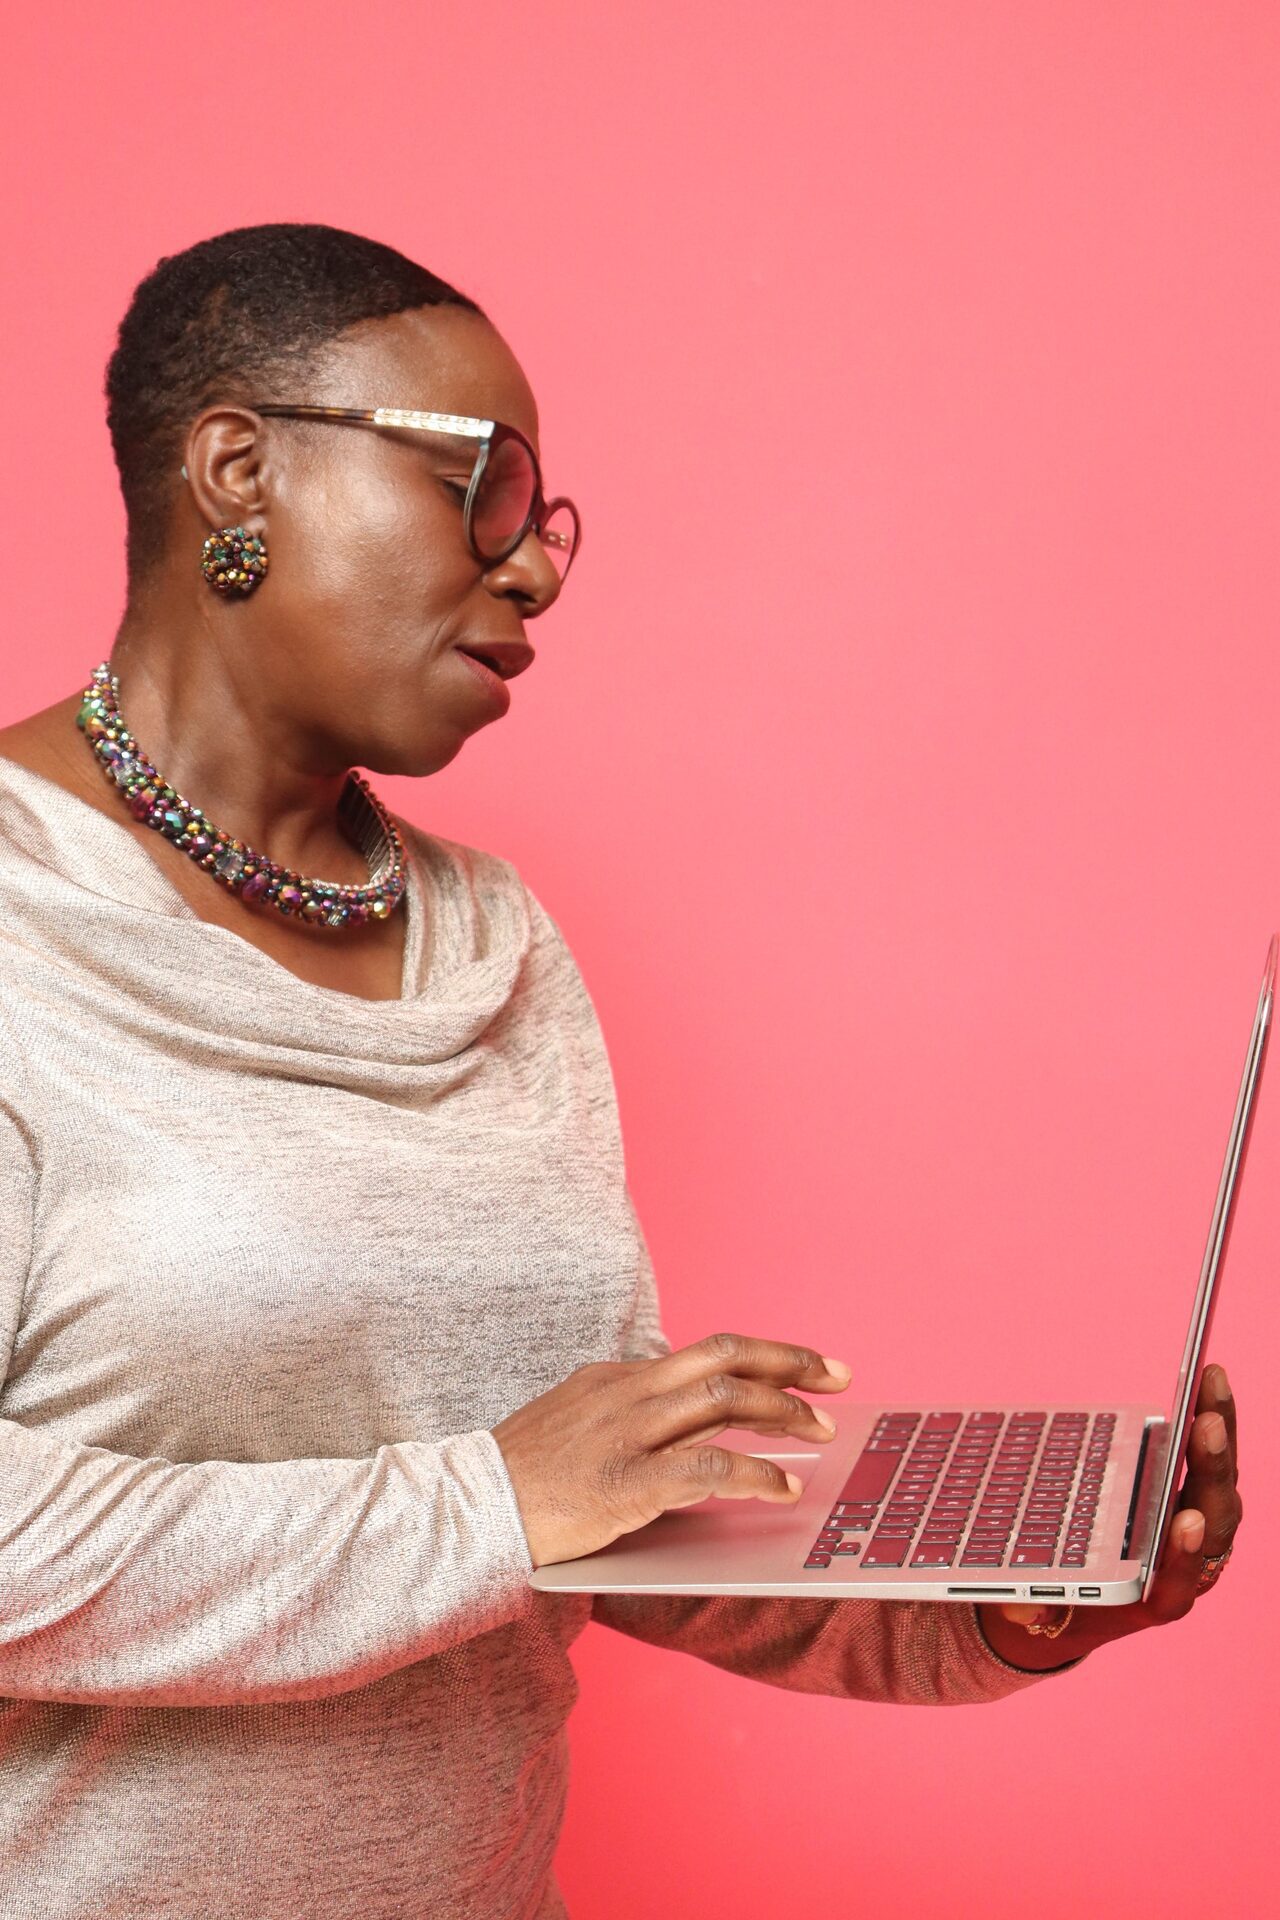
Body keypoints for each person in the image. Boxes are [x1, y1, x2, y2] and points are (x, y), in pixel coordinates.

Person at [0, 223, 1241, 1920]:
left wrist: (1004, 1598)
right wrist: (488, 1498)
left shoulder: (495, 943)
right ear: (239, 469)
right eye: (480, 487)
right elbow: (504, 1505)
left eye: (547, 518)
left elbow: (598, 1513)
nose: (536, 569)